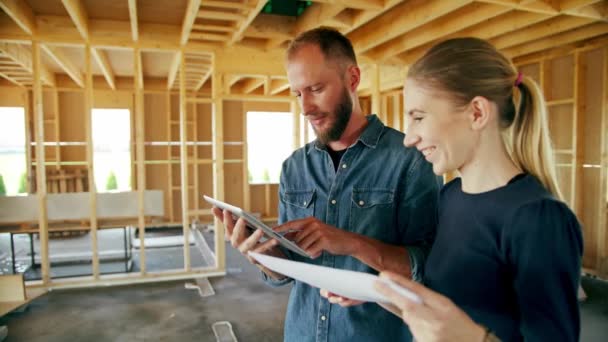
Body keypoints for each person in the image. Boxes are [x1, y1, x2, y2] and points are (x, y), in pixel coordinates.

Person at [212, 27, 440, 341]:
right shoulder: (294, 167)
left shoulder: (409, 161)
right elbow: (287, 272)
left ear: (353, 79)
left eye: (316, 88)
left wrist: (351, 243)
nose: (305, 107)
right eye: (297, 93)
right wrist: (261, 255)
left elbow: (428, 267)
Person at [368, 37, 583, 341]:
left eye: (418, 117)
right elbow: (448, 314)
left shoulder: (539, 218)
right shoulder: (450, 196)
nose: (408, 138)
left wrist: (473, 338)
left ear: (477, 113)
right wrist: (383, 296)